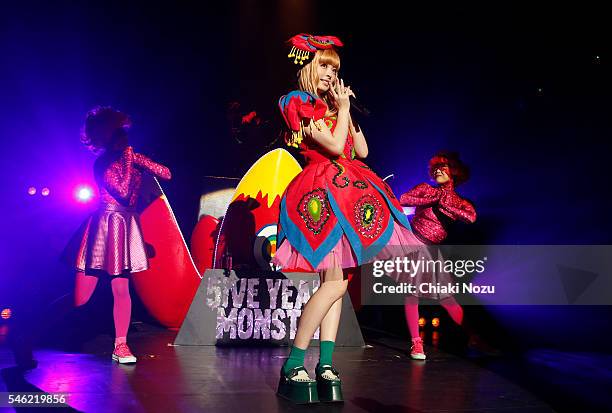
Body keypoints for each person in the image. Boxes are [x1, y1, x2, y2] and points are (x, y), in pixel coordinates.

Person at [272, 34, 427, 404]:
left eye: (334, 68)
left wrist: (344, 108)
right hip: (322, 191)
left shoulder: (331, 104)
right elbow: (328, 146)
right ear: (308, 66)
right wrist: (340, 111)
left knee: (338, 282)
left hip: (349, 189)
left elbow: (361, 150)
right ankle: (294, 361)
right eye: (324, 65)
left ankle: (324, 364)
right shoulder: (297, 102)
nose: (329, 73)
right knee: (334, 283)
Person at [74, 106, 171, 364]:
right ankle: (37, 329)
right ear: (105, 136)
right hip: (106, 223)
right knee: (82, 296)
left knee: (121, 287)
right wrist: (130, 158)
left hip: (125, 223)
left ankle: (121, 345)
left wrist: (139, 159)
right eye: (116, 132)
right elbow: (123, 189)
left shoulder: (130, 157)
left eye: (122, 132)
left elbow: (166, 173)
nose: (123, 137)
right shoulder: (102, 163)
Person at [399, 151, 476, 360]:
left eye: (444, 167)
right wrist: (432, 197)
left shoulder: (459, 201)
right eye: (436, 168)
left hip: (432, 251)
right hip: (413, 245)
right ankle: (416, 344)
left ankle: (474, 337)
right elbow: (404, 198)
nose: (438, 170)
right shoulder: (426, 189)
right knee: (412, 293)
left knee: (447, 297)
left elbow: (471, 217)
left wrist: (447, 205)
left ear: (455, 172)